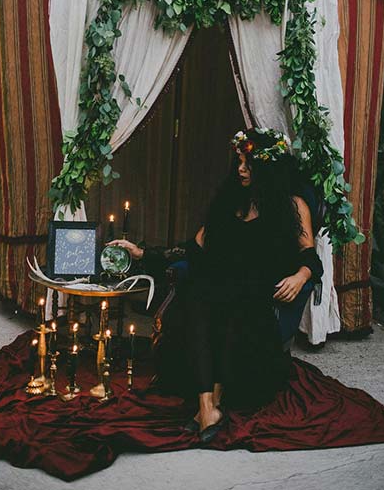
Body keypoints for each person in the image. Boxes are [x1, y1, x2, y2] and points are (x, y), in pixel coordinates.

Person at [109, 127, 323, 442]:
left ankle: (208, 407)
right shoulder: (230, 200)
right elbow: (192, 248)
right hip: (218, 286)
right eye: (238, 161)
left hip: (256, 302)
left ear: (267, 166)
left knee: (222, 302)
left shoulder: (292, 205)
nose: (240, 169)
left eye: (248, 164)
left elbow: (311, 257)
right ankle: (208, 406)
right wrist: (143, 253)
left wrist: (300, 275)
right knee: (198, 294)